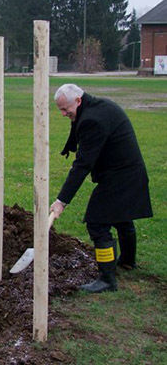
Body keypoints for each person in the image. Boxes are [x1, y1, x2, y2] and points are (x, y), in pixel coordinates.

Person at [50, 84, 153, 293]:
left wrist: (61, 201)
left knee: (97, 223)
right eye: (60, 109)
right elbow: (78, 133)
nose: (63, 114)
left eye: (65, 109)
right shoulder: (97, 107)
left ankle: (107, 279)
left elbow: (83, 165)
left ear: (78, 100)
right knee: (122, 218)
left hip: (121, 176)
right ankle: (127, 261)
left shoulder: (92, 120)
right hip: (128, 172)